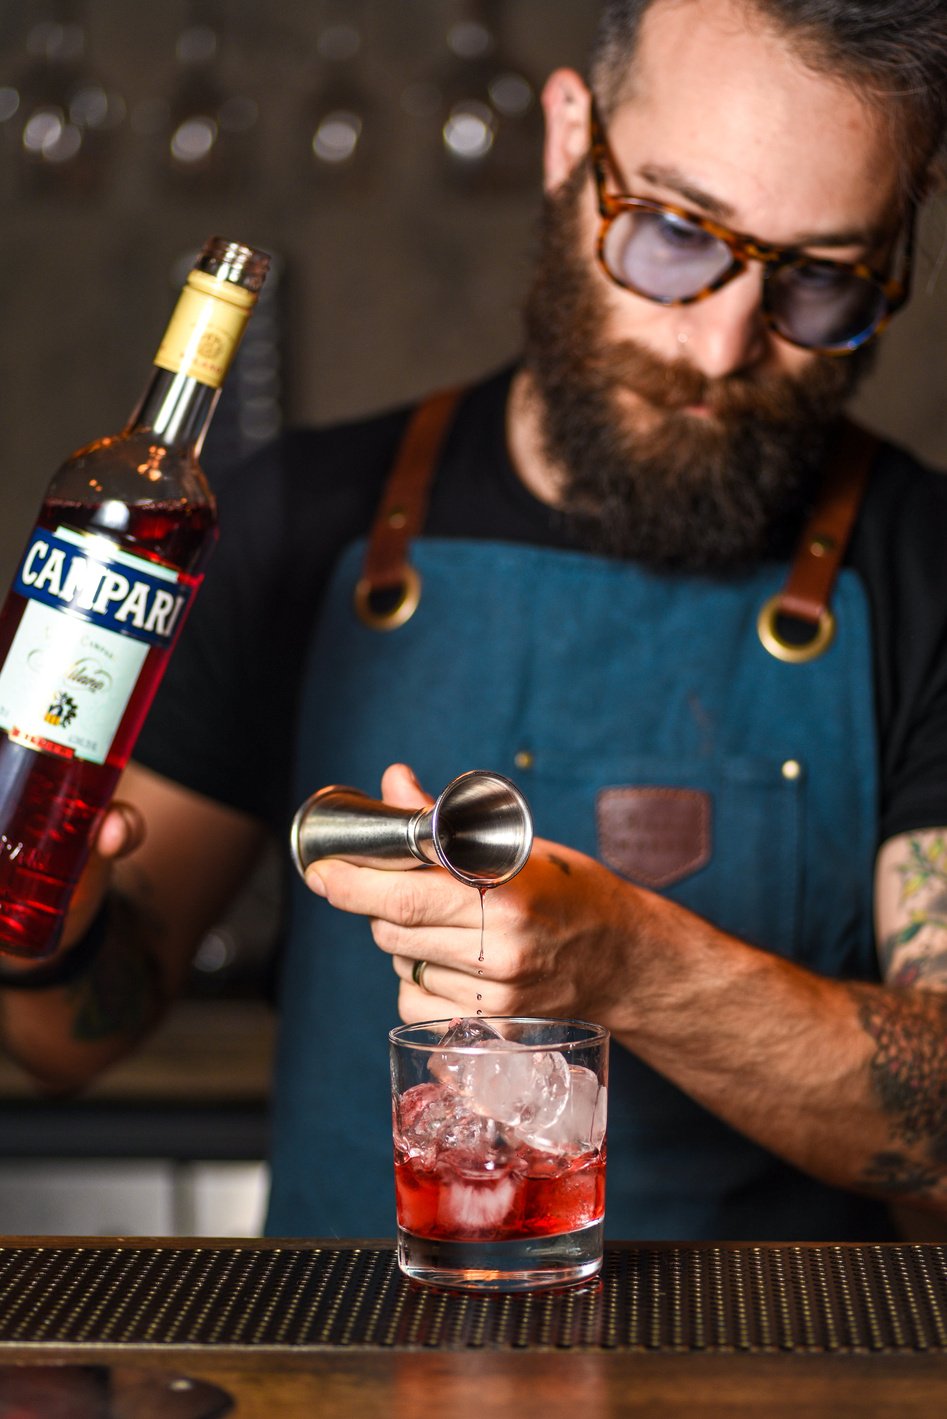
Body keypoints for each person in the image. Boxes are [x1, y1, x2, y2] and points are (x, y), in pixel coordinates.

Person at [2, 0, 947, 1242]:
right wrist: (46, 932)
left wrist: (627, 966)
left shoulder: (921, 562)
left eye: (821, 279)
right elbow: (69, 1042)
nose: (722, 344)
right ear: (570, 141)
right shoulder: (300, 528)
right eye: (671, 233)